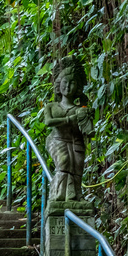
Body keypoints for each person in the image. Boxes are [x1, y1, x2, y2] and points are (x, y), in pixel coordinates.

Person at [43, 57, 93, 201]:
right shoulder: (52, 106)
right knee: (64, 162)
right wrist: (68, 119)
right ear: (59, 84)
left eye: (72, 83)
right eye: (65, 82)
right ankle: (59, 194)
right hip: (57, 140)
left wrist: (86, 119)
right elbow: (48, 122)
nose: (68, 86)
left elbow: (87, 130)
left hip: (76, 141)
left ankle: (77, 195)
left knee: (78, 166)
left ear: (77, 87)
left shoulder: (80, 109)